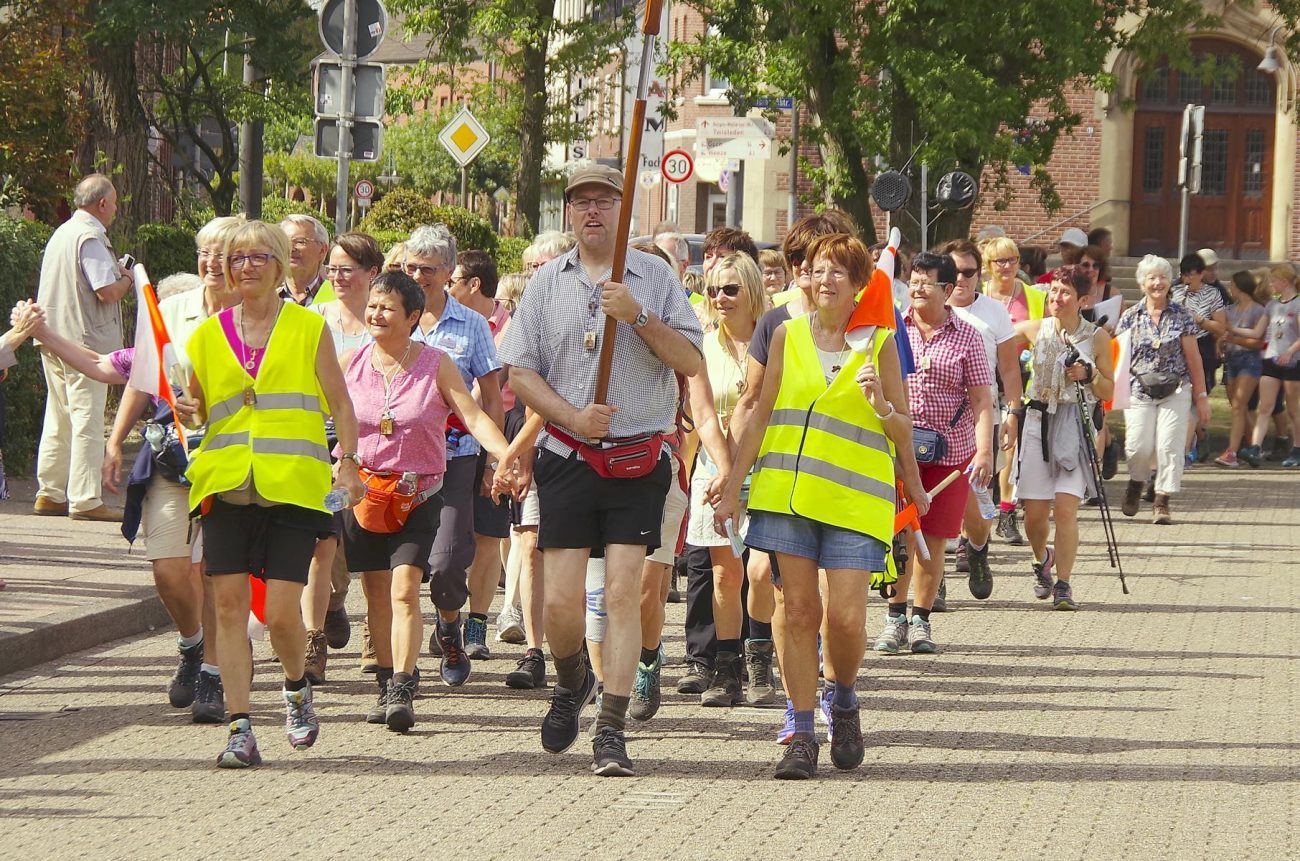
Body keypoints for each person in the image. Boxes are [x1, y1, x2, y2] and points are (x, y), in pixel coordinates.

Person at [499, 163, 703, 777]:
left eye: (604, 201)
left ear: (622, 209)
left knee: (621, 592)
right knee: (560, 603)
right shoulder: (545, 283)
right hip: (567, 455)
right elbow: (520, 371)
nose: (592, 210)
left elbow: (690, 358)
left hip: (637, 459)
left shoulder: (655, 277)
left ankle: (611, 727)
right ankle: (571, 679)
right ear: (569, 211)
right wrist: (573, 417)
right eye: (582, 201)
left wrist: (638, 315)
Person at [715, 233, 923, 779]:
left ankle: (845, 696)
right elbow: (760, 412)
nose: (825, 279)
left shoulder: (880, 342)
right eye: (817, 269)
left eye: (838, 272)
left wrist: (882, 407)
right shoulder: (786, 335)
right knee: (799, 613)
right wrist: (733, 486)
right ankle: (802, 732)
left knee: (847, 619)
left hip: (856, 501)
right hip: (787, 497)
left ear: (859, 285)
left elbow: (904, 428)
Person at [183, 219, 364, 768]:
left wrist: (348, 465)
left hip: (294, 488)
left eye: (259, 257)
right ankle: (240, 728)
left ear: (280, 265)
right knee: (228, 608)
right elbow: (197, 409)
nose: (247, 267)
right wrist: (188, 409)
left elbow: (341, 404)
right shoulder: (206, 335)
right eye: (237, 258)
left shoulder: (308, 327)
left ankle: (295, 686)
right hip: (226, 487)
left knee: (284, 615)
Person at [340, 271, 522, 731]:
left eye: (387, 308)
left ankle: (403, 684)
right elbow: (322, 415)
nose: (376, 314)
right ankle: (386, 679)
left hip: (417, 493)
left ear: (413, 317)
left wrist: (504, 456)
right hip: (364, 495)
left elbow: (473, 416)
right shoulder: (350, 363)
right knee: (376, 591)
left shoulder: (435, 363)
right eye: (373, 306)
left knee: (404, 589)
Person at [875, 252, 994, 654]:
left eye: (927, 281)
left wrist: (984, 451)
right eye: (913, 281)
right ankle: (894, 618)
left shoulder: (968, 336)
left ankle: (921, 620)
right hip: (898, 452)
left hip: (950, 456)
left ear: (947, 289)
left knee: (934, 539)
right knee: (900, 535)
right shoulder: (891, 329)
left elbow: (981, 399)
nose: (918, 288)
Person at [403, 224, 504, 684]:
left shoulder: (472, 325)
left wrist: (495, 460)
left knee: (445, 562)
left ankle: (449, 627)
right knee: (402, 568)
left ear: (448, 272)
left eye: (427, 269)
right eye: (410, 267)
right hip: (399, 459)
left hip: (456, 456)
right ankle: (398, 672)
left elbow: (492, 395)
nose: (417, 276)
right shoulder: (393, 317)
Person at [682, 253, 773, 709]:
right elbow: (701, 414)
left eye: (730, 289)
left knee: (761, 571)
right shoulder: (703, 346)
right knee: (724, 574)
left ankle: (761, 657)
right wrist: (723, 471)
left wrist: (740, 470)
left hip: (768, 464)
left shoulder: (776, 339)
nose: (719, 297)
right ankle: (726, 667)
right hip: (714, 465)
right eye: (713, 289)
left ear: (752, 290)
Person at [301, 231, 386, 682]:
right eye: (331, 268)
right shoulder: (311, 319)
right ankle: (314, 639)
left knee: (366, 542)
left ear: (373, 273)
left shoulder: (385, 322)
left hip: (373, 450)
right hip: (319, 448)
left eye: (346, 269)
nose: (336, 277)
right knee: (322, 542)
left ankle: (374, 628)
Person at [1012, 266, 1113, 610]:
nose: (1056, 297)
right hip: (1037, 421)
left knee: (1066, 509)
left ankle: (1064, 585)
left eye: (1065, 292)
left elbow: (1108, 389)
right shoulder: (1035, 329)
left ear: (1083, 300)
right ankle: (1043, 559)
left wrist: (1090, 374)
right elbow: (995, 343)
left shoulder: (1096, 337)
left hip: (1075, 424)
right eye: (1053, 290)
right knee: (1034, 515)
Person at [33, 173, 131, 521]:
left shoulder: (62, 233)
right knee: (87, 418)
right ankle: (86, 499)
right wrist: (127, 278)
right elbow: (107, 291)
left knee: (58, 417)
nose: (115, 210)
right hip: (84, 341)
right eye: (114, 203)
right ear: (102, 203)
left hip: (52, 335)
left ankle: (50, 493)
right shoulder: (90, 236)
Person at [943, 239, 1022, 600]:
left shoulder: (993, 312)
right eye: (953, 271)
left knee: (975, 503)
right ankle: (934, 582)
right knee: (934, 500)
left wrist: (1013, 413)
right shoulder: (925, 310)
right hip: (935, 421)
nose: (960, 279)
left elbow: (1009, 369)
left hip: (980, 417)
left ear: (980, 274)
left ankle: (977, 547)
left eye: (968, 272)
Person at [448, 249, 514, 657]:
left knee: (489, 535)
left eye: (452, 280)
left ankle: (477, 624)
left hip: (500, 439)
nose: (447, 288)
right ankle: (450, 617)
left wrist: (496, 460)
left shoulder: (510, 326)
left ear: (474, 284)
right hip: (454, 443)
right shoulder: (442, 322)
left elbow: (486, 392)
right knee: (453, 538)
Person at [1116, 255, 1212, 524]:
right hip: (1140, 389)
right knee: (1138, 446)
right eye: (1152, 278)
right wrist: (1112, 395)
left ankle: (1162, 500)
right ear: (1142, 283)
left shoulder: (1182, 315)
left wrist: (1201, 396)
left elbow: (1194, 358)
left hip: (1176, 388)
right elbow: (1119, 359)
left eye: (1162, 277)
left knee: (1169, 445)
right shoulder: (1130, 317)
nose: (1157, 283)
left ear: (1169, 282)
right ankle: (1136, 481)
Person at [980, 234, 1045, 545]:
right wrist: (1018, 332)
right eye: (1000, 261)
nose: (1007, 266)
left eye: (1013, 260)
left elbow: (1043, 332)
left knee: (1011, 446)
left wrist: (1011, 335)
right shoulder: (979, 295)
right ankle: (978, 515)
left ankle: (1007, 513)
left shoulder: (1034, 297)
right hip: (982, 378)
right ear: (988, 265)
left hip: (1020, 378)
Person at [1239, 265, 1300, 468]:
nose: (1271, 284)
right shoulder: (1272, 305)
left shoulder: (1298, 304)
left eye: (1274, 280)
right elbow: (1257, 332)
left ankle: (1297, 449)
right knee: (1265, 407)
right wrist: (1231, 329)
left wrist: (1289, 352)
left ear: (1284, 282)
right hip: (1271, 359)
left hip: (1292, 362)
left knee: (1293, 409)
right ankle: (1255, 447)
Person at [1172, 253, 1227, 465]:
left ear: (1201, 274)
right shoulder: (1175, 292)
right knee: (1180, 398)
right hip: (1177, 348)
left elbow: (1220, 327)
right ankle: (1199, 436)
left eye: (1191, 275)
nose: (1187, 280)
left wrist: (1199, 319)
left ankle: (1185, 450)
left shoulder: (1212, 294)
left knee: (1196, 398)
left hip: (1202, 347)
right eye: (1184, 275)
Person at [1215, 270, 1268, 467]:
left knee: (1239, 405)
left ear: (1240, 287)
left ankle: (1232, 452)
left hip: (1250, 360)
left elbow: (1258, 342)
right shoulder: (1230, 309)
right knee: (1238, 407)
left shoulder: (1258, 310)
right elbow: (1223, 332)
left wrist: (1234, 338)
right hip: (1232, 359)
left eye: (1233, 285)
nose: (1231, 288)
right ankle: (1254, 448)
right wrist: (1221, 342)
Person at [278, 215, 334, 306]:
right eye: (284, 242)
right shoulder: (266, 297)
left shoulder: (337, 298)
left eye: (300, 242)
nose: (290, 248)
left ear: (322, 250)